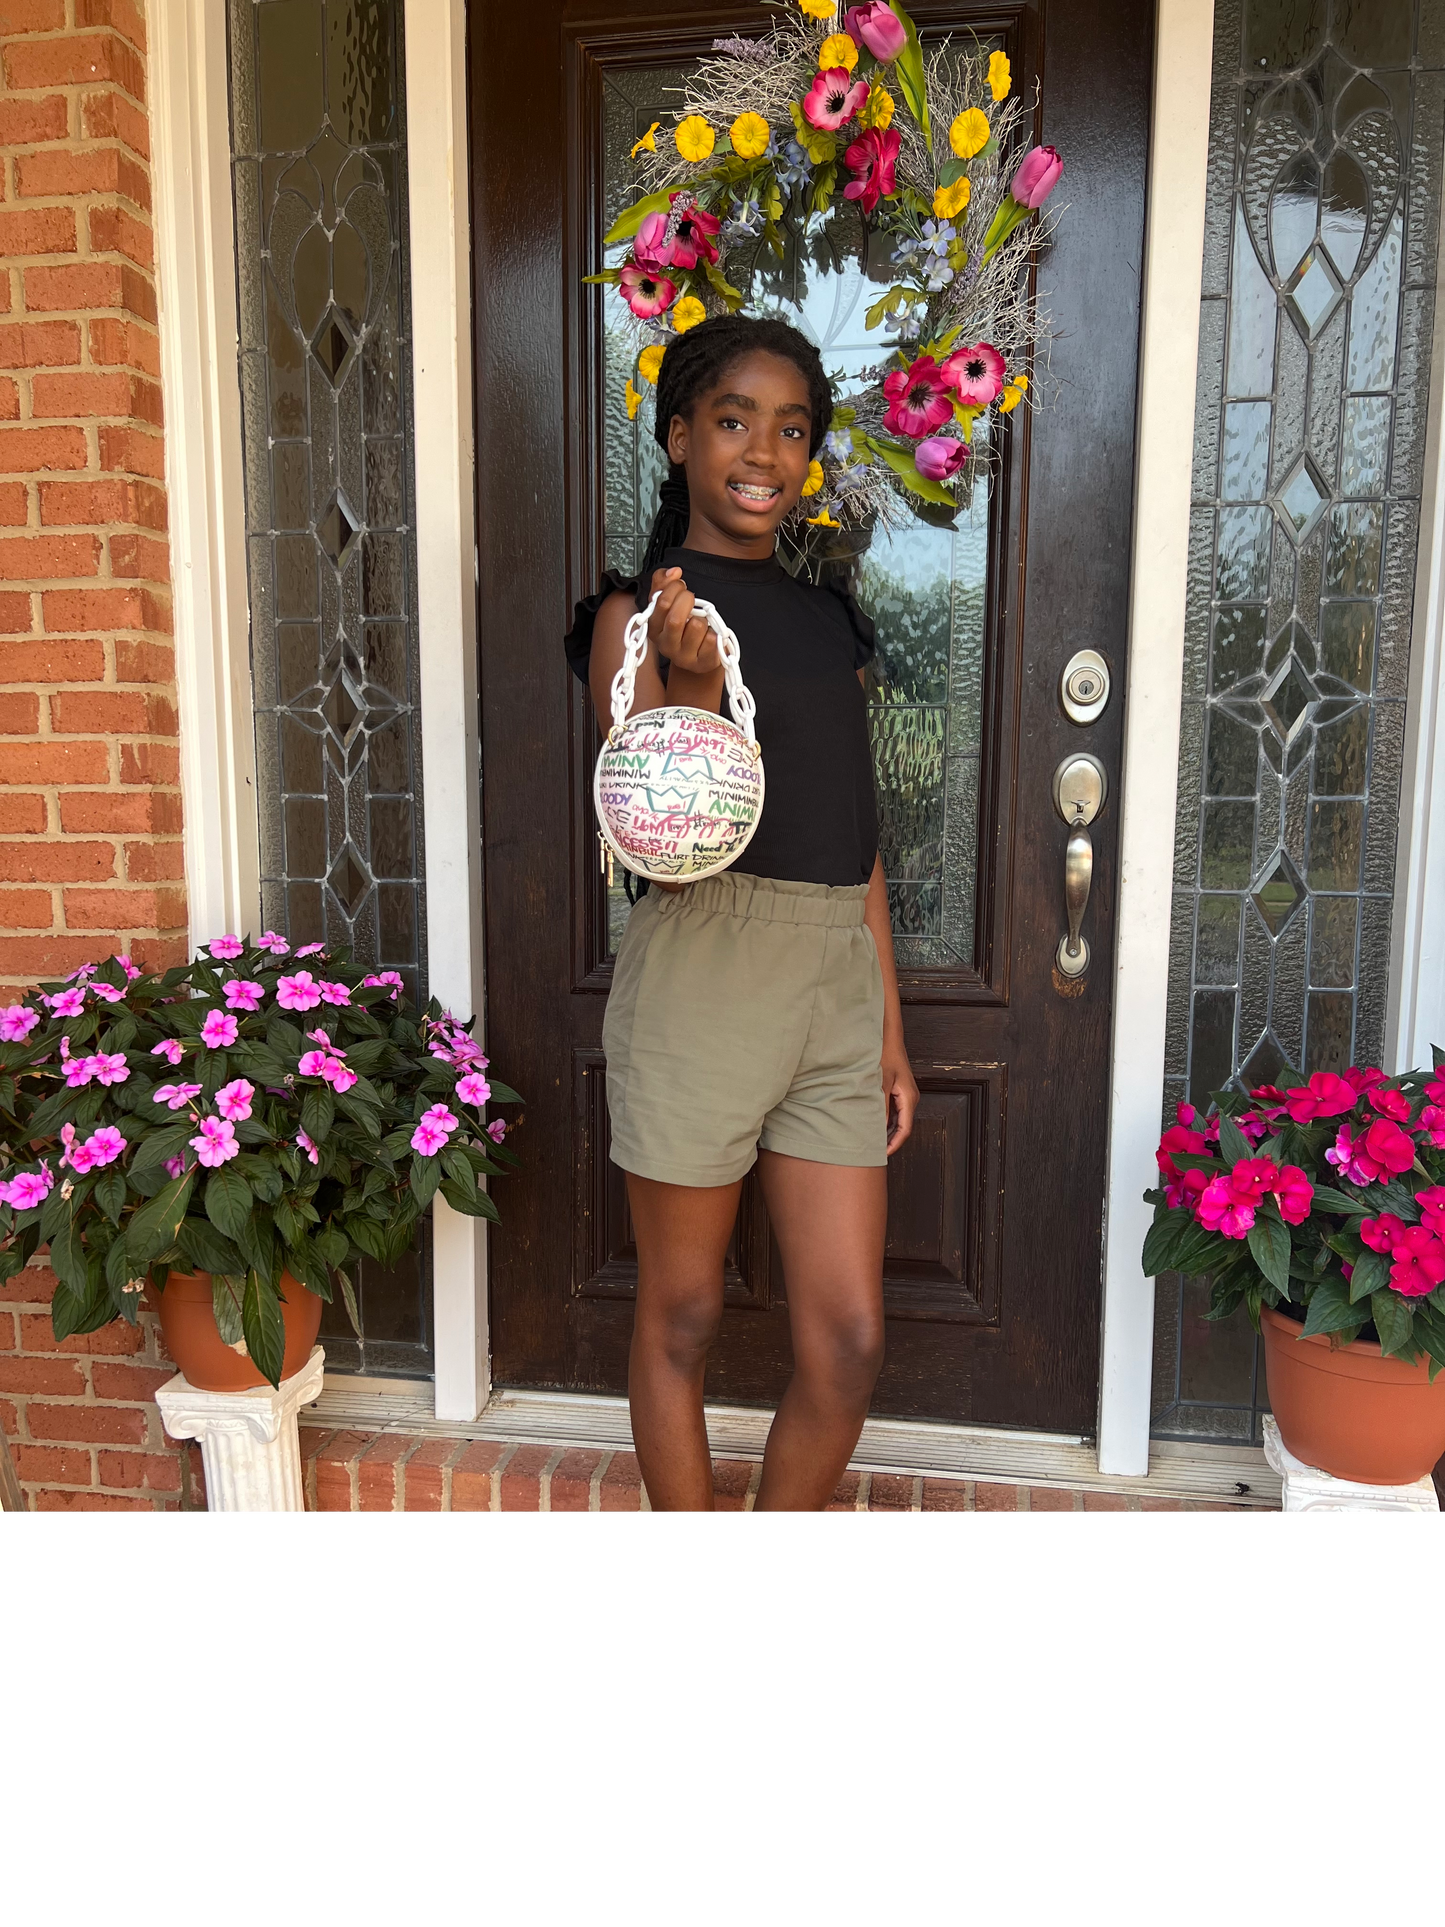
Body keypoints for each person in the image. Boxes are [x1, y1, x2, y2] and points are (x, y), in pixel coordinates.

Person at [565, 314, 918, 1513]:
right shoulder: (636, 617)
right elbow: (666, 857)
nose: (762, 450)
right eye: (731, 420)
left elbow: (855, 834)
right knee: (684, 1312)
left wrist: (886, 1029)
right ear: (677, 440)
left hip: (832, 977)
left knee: (849, 1339)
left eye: (791, 428)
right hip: (704, 969)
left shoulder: (828, 620)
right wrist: (699, 682)